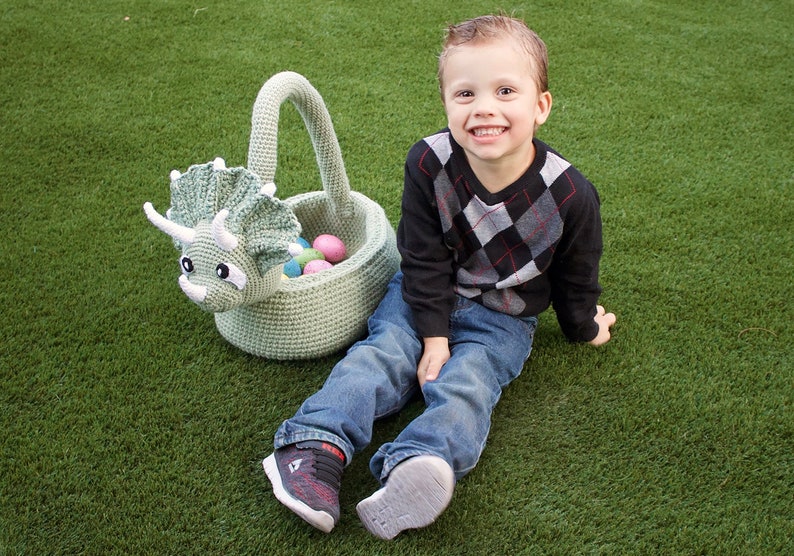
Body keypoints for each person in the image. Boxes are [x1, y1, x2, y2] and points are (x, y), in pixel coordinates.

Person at [262, 14, 616, 540]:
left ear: (540, 106)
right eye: (465, 93)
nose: (484, 108)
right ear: (447, 103)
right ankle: (312, 445)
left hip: (504, 318)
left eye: (504, 90)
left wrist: (585, 326)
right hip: (422, 294)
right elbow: (422, 254)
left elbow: (577, 276)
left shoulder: (569, 194)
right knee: (381, 357)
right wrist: (432, 335)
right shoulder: (430, 160)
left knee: (468, 385)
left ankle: (418, 465)